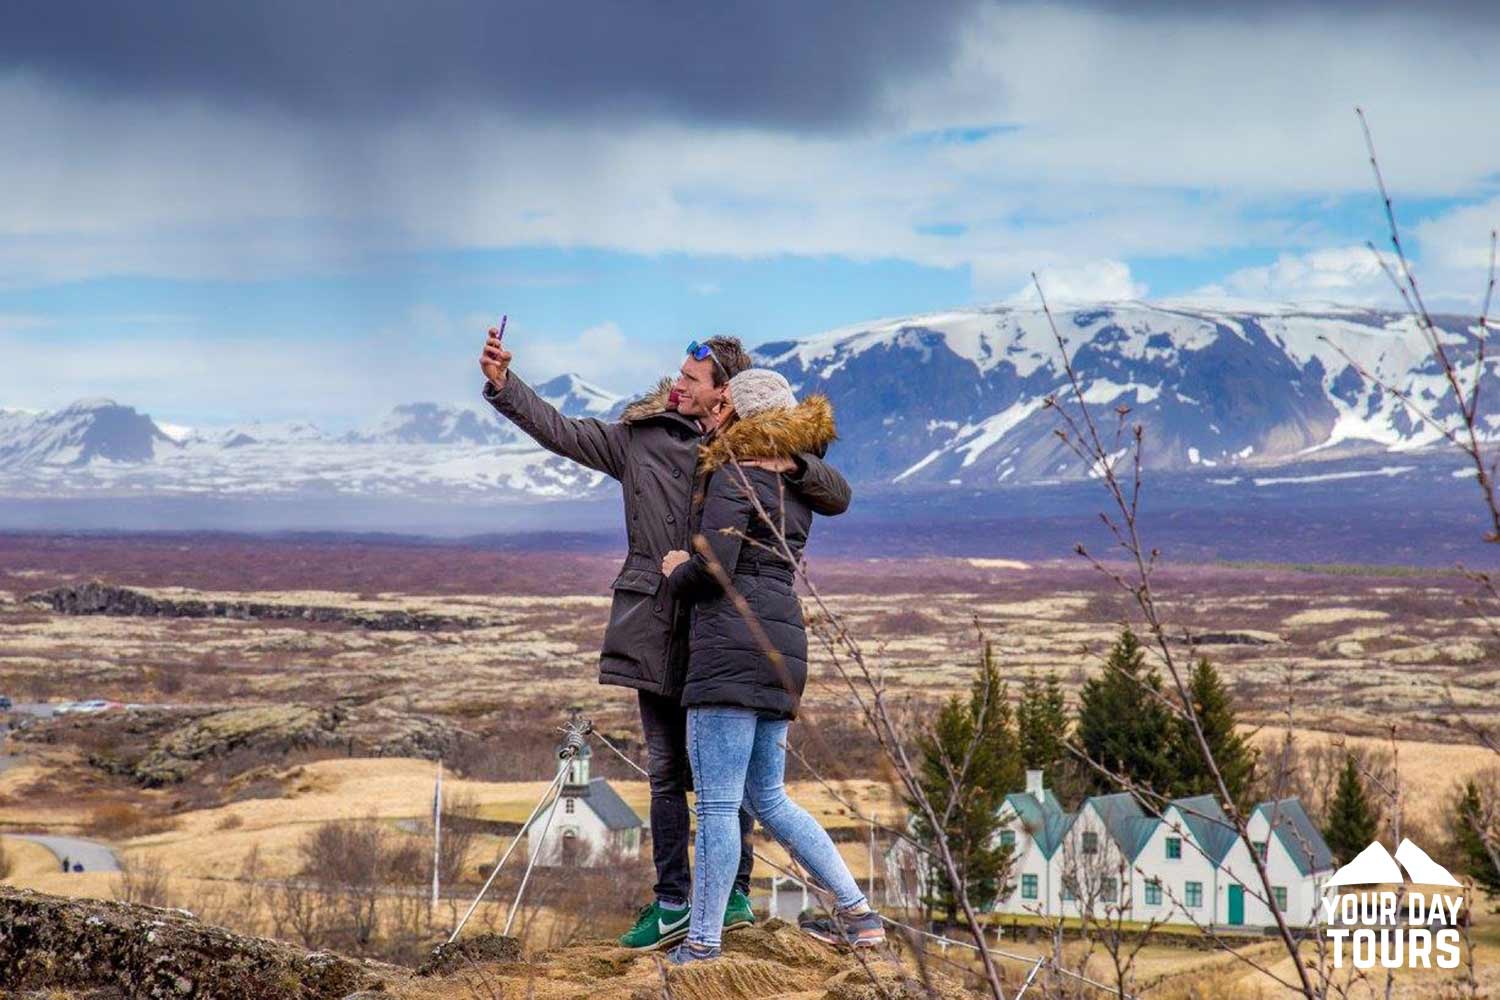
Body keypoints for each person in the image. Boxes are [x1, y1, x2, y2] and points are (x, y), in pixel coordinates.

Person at [478, 328, 852, 950]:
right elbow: (563, 431)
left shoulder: (756, 448)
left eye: (691, 379)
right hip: (657, 624)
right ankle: (674, 901)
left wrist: (794, 461)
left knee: (723, 779)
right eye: (677, 373)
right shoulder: (642, 437)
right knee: (664, 773)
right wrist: (503, 386)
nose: (676, 384)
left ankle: (729, 898)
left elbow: (836, 493)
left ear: (723, 394)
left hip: (720, 629)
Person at [658, 369, 883, 965]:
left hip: (729, 650)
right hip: (784, 647)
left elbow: (716, 569)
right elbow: (838, 493)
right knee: (770, 797)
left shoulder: (736, 475)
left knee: (717, 806)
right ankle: (860, 914)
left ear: (744, 414)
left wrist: (675, 568)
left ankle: (702, 943)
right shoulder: (796, 483)